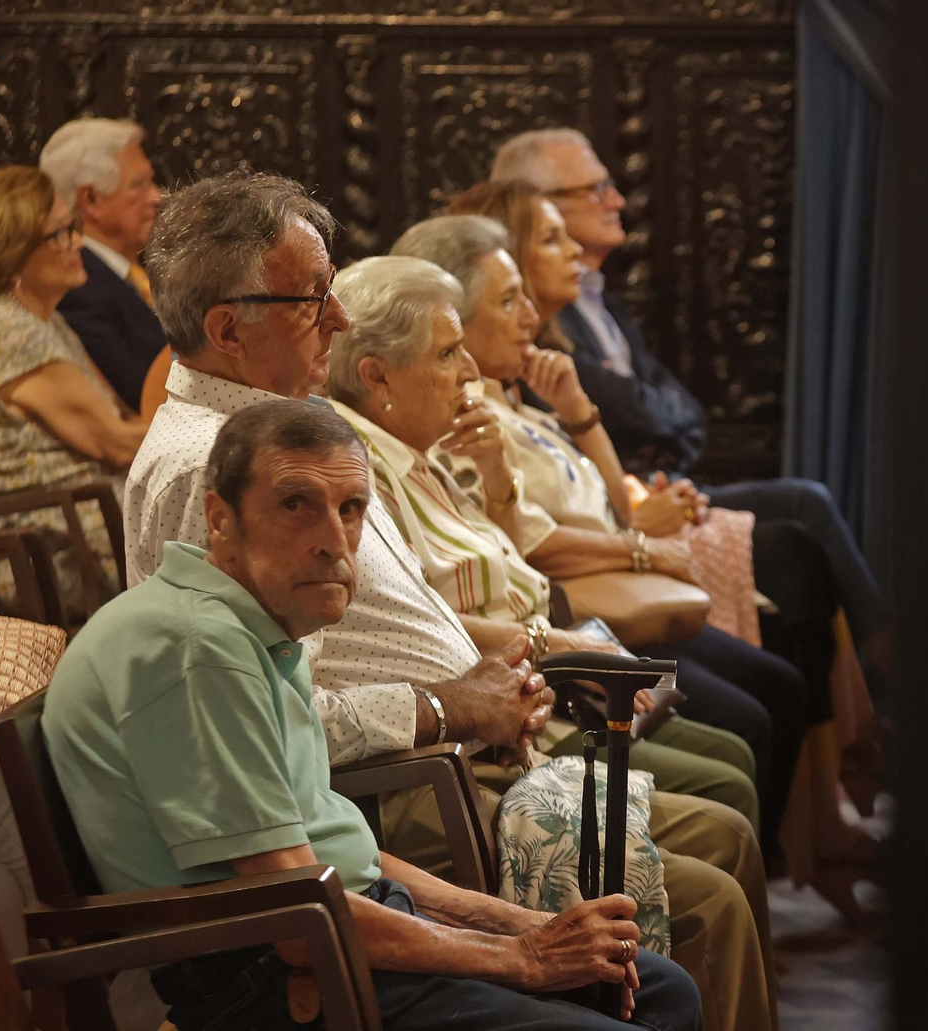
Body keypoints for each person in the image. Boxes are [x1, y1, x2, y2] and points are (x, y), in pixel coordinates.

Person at [125, 171, 778, 1031]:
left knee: (717, 837)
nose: (339, 316)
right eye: (313, 297)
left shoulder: (274, 430)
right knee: (706, 897)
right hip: (406, 789)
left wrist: (495, 660)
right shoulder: (214, 469)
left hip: (438, 767)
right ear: (226, 329)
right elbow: (282, 726)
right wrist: (447, 706)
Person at [46, 398, 702, 1030]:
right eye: (296, 504)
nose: (335, 541)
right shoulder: (199, 645)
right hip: (273, 976)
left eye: (351, 508)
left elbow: (345, 853)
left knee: (660, 984)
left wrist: (521, 924)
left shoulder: (256, 623)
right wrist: (525, 958)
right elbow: (292, 917)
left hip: (340, 924)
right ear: (219, 519)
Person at [390, 209, 808, 863]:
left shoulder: (507, 412)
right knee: (747, 730)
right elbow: (517, 562)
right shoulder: (445, 430)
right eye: (509, 298)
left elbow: (601, 513)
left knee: (789, 604)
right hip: (558, 642)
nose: (529, 313)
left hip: (571, 635)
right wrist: (639, 547)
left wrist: (581, 418)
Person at [489, 128, 894, 686]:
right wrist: (635, 536)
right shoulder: (529, 365)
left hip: (643, 506)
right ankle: (873, 694)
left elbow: (671, 408)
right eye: (596, 188)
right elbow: (547, 512)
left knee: (804, 517)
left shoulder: (593, 303)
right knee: (797, 540)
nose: (618, 200)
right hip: (619, 534)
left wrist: (629, 483)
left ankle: (862, 709)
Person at [0, 165, 148, 618]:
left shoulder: (38, 319)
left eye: (72, 227)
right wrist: (224, 426)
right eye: (59, 234)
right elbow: (115, 443)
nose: (77, 242)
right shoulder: (8, 333)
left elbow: (119, 426)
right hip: (58, 547)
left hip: (84, 525)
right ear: (11, 252)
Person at [39, 117, 167, 412]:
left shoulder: (142, 269)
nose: (156, 196)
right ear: (92, 200)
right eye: (139, 185)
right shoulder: (78, 287)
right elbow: (144, 396)